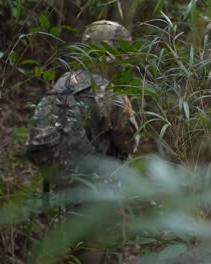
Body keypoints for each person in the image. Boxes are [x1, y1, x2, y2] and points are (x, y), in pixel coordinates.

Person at [25, 20, 139, 262]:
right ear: (112, 53)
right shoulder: (110, 91)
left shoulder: (65, 80)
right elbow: (129, 142)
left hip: (61, 181)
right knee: (92, 251)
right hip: (94, 188)